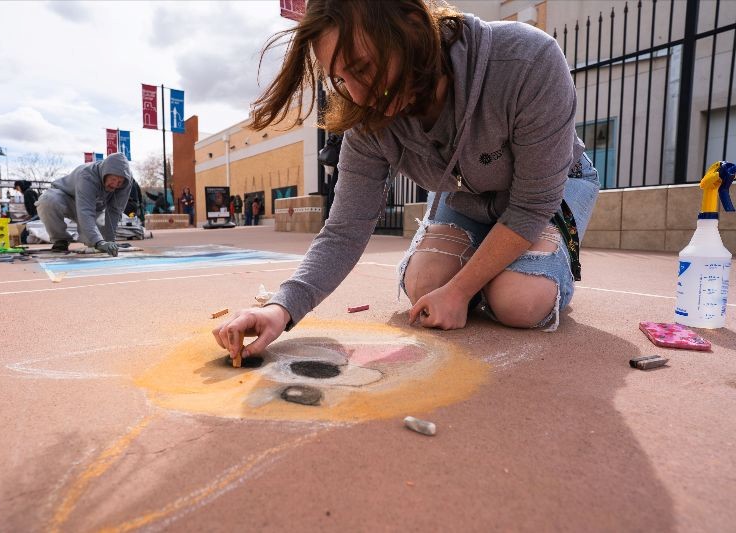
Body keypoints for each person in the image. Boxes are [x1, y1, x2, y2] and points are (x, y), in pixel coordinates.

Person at [214, 0, 601, 360]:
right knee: (427, 286)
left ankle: (526, 272)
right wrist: (281, 308)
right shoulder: (367, 118)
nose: (360, 95)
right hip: (466, 194)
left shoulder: (526, 60)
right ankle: (491, 266)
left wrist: (462, 288)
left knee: (520, 301)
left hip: (550, 191)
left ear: (412, 26)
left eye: (363, 67)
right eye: (342, 78)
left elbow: (531, 205)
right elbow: (345, 229)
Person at [35, 152, 132, 256]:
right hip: (67, 200)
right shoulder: (87, 175)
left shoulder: (126, 180)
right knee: (47, 201)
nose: (115, 185)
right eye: (113, 179)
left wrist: (110, 240)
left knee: (98, 240)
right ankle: (60, 240)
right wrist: (99, 242)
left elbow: (115, 210)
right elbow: (85, 210)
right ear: (105, 172)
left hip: (94, 208)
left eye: (119, 182)